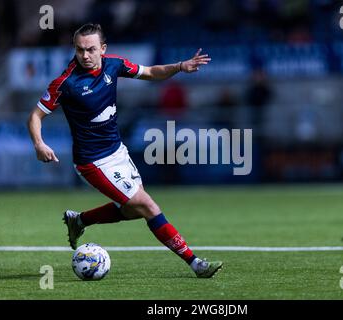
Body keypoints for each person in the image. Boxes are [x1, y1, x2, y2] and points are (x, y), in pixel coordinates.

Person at [27, 23, 222, 278]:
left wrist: (179, 67)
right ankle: (195, 263)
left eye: (90, 49)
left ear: (103, 49)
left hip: (118, 152)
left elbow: (151, 72)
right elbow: (35, 116)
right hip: (92, 162)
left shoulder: (114, 64)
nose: (85, 55)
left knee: (133, 209)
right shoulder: (67, 82)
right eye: (79, 50)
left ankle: (80, 220)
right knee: (148, 206)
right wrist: (39, 144)